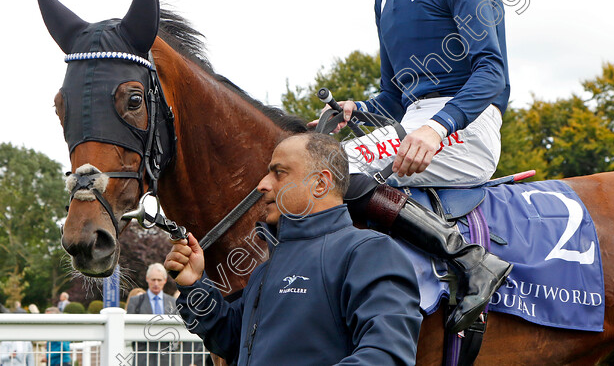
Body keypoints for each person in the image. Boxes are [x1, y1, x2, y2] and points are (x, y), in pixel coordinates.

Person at [314, 0, 515, 334]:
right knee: (315, 165)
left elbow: (493, 73)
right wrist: (356, 108)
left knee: (340, 171)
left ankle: (471, 262)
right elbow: (393, 95)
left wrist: (437, 126)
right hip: (413, 125)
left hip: (465, 126)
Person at [165, 133, 422, 365]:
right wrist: (193, 284)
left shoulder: (369, 253)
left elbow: (386, 356)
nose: (262, 184)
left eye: (279, 172)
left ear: (320, 184)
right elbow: (232, 341)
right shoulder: (264, 271)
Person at [126, 263, 177, 366]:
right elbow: (129, 329)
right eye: (153, 280)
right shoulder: (135, 302)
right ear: (147, 279)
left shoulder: (173, 303)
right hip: (142, 357)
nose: (156, 283)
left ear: (165, 281)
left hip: (166, 358)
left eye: (159, 280)